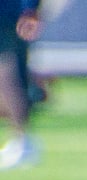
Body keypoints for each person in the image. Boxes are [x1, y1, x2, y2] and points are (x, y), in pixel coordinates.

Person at [0, 0, 38, 169]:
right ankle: (18, 139)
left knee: (6, 76)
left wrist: (28, 8)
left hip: (7, 14)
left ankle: (23, 140)